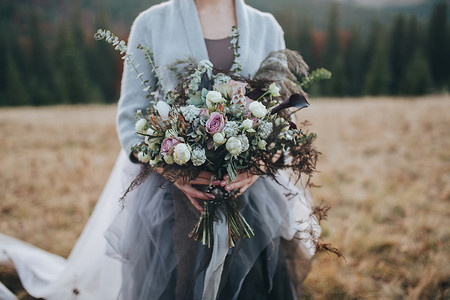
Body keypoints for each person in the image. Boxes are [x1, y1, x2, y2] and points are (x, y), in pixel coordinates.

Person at [0, 0, 320, 299]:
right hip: (168, 199)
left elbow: (282, 118)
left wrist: (254, 171)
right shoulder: (151, 22)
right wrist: (175, 173)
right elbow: (130, 117)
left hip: (250, 198)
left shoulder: (266, 26)